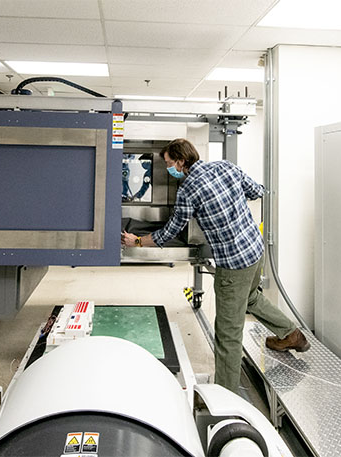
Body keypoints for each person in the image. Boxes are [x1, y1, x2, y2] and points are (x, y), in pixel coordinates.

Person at [121, 138, 309, 395]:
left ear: (180, 161)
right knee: (252, 298)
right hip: (255, 250)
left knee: (228, 334)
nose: (168, 169)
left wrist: (138, 241)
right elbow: (257, 191)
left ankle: (226, 397)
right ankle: (291, 334)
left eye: (168, 164)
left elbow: (171, 230)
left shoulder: (189, 190)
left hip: (233, 264)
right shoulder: (226, 167)